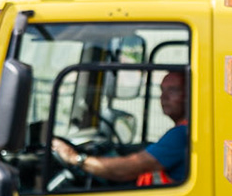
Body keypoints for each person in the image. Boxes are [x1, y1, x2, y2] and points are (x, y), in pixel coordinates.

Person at [51, 70, 190, 186]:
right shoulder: (184, 131)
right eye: (162, 90)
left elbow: (125, 170)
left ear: (190, 95)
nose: (163, 97)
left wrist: (75, 158)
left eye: (173, 90)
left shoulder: (182, 135)